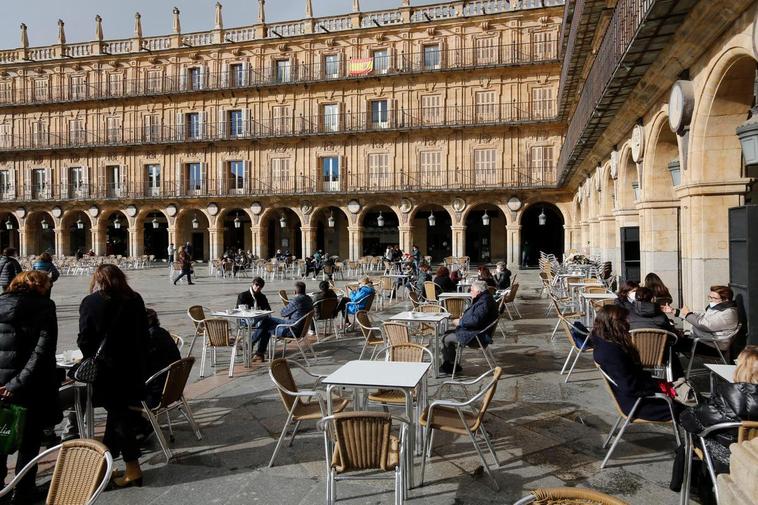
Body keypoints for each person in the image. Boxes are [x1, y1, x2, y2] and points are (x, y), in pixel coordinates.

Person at [78, 264, 149, 488]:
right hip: (133, 369)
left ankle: (133, 469)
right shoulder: (135, 298)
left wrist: (91, 356)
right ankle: (104, 464)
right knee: (117, 415)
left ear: (97, 279)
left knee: (120, 418)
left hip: (107, 372)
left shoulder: (91, 303)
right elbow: (144, 334)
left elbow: (84, 340)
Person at [0, 272, 59, 503]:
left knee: (1, 432)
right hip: (31, 384)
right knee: (30, 439)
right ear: (40, 287)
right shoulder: (45, 306)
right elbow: (42, 350)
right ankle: (24, 490)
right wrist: (18, 382)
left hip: (1, 384)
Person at [671, 346, 758, 497]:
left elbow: (689, 421)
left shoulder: (726, 399)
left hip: (728, 456)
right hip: (753, 455)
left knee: (690, 440)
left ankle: (685, 485)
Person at [592, 305, 682, 421]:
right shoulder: (612, 352)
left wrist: (659, 381)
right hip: (639, 404)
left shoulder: (605, 344)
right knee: (689, 409)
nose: (628, 322)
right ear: (613, 323)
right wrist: (657, 386)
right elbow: (630, 386)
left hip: (633, 398)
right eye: (624, 319)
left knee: (687, 400)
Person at [440, 280, 498, 375]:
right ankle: (452, 364)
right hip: (478, 332)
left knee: (445, 338)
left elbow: (475, 321)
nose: (470, 292)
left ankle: (450, 366)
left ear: (478, 291)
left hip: (477, 336)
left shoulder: (484, 302)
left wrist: (460, 322)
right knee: (446, 333)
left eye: (471, 290)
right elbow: (477, 317)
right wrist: (465, 317)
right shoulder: (485, 298)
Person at [663, 285, 739, 354]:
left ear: (725, 300)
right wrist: (675, 311)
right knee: (669, 340)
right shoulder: (718, 308)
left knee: (669, 343)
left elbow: (703, 324)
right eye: (709, 297)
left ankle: (676, 369)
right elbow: (699, 316)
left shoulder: (728, 313)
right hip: (704, 340)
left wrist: (688, 314)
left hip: (713, 346)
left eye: (714, 298)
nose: (710, 300)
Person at [250, 282, 313, 363]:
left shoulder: (297, 300)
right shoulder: (309, 299)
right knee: (267, 320)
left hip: (292, 330)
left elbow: (283, 313)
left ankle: (256, 349)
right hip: (300, 328)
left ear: (295, 291)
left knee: (266, 327)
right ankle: (257, 351)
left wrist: (291, 305)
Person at [144, 309, 181, 409]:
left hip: (155, 395)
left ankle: (136, 423)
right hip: (173, 390)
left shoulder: (150, 338)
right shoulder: (162, 332)